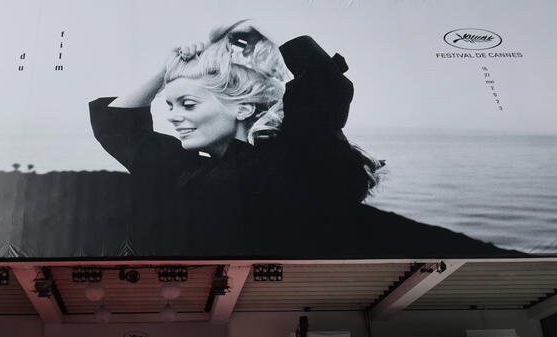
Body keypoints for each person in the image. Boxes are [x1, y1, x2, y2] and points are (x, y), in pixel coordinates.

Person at [89, 20, 518, 258]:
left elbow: (323, 87)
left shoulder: (294, 155)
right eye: (170, 105)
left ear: (241, 108)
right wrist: (168, 72)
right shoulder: (188, 168)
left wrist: (259, 30)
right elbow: (118, 126)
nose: (173, 117)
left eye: (188, 104)